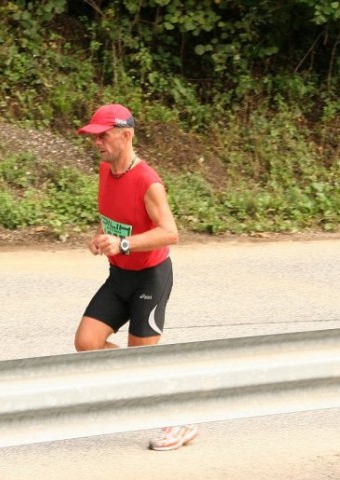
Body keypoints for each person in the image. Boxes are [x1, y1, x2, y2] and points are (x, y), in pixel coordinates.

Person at [75, 103, 198, 451]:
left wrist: (124, 243)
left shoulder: (148, 181)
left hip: (150, 277)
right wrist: (102, 236)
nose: (97, 143)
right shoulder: (105, 171)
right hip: (120, 275)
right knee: (87, 343)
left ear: (126, 135)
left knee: (139, 360)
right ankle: (146, 385)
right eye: (94, 137)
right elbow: (113, 214)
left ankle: (178, 418)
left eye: (104, 136)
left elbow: (170, 233)